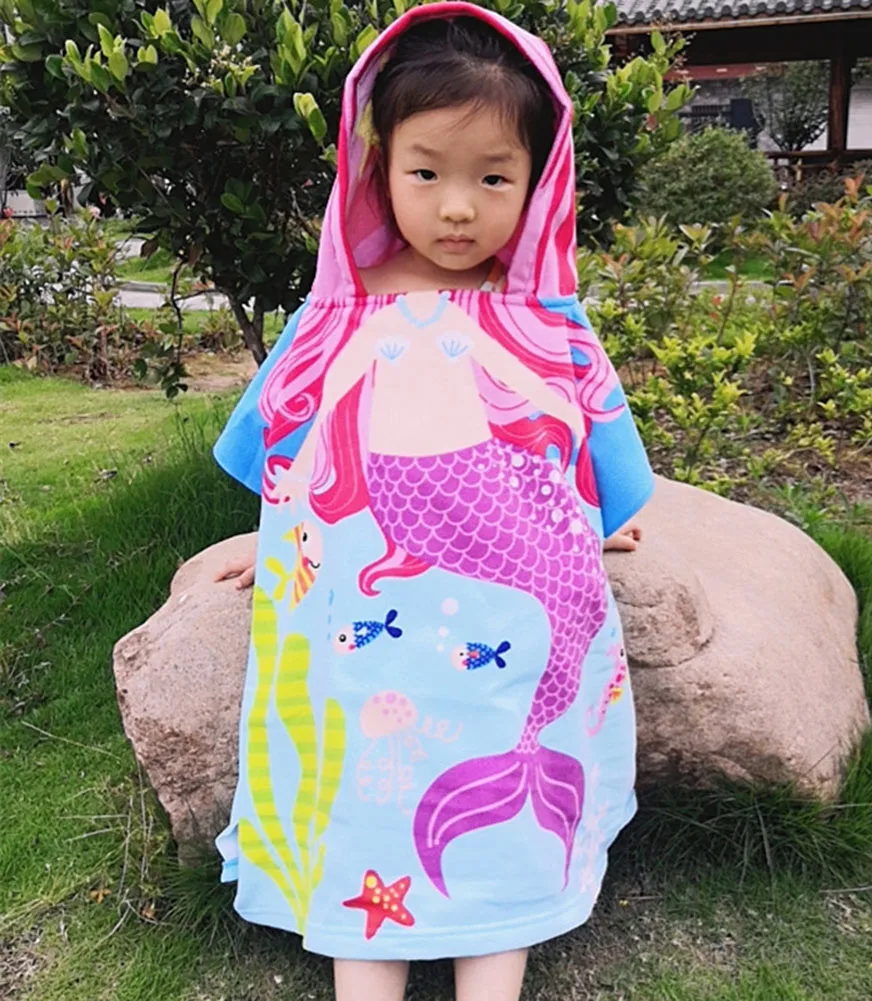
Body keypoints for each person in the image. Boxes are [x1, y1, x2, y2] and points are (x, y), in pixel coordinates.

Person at [211, 5, 653, 1000]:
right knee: (362, 804)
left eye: (492, 178)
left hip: (505, 643)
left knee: (506, 804)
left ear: (537, 177)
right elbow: (290, 440)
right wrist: (268, 534)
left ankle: (495, 953)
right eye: (426, 173)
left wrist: (597, 518)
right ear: (378, 168)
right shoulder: (340, 308)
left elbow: (588, 441)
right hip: (360, 647)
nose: (457, 209)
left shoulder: (544, 317)